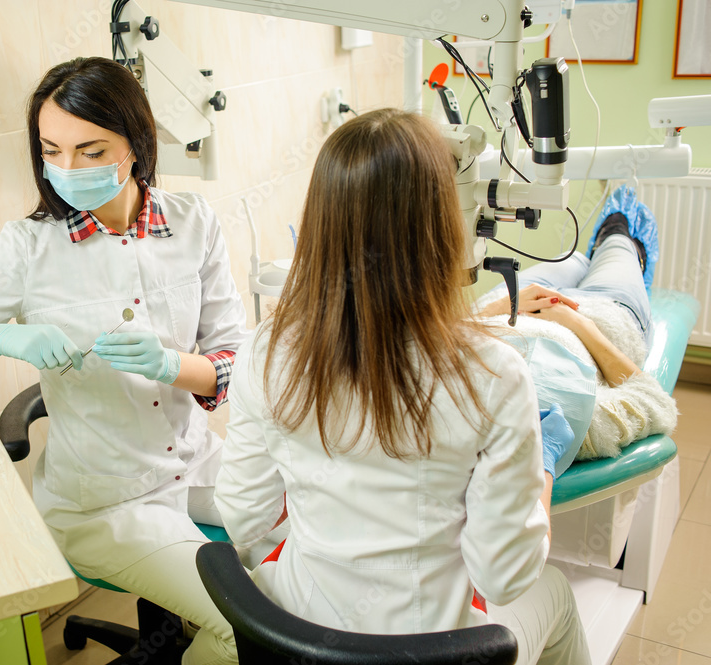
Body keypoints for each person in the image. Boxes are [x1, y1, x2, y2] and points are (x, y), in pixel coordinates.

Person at [0, 57, 247, 664]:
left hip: (199, 465)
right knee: (243, 629)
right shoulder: (27, 249)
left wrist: (174, 365)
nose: (68, 169)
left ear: (138, 144)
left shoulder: (193, 223)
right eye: (53, 150)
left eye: (92, 151)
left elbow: (234, 362)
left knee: (315, 570)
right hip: (107, 502)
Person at [213, 109, 590, 665]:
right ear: (442, 226)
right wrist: (540, 483)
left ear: (320, 223)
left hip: (298, 643)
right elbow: (506, 577)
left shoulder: (265, 353)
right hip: (432, 649)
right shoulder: (496, 375)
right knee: (552, 591)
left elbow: (243, 519)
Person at [476, 193, 677, 462]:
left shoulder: (426, 378)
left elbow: (441, 330)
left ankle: (590, 256)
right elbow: (654, 402)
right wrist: (578, 323)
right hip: (604, 313)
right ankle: (616, 241)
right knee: (617, 241)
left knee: (573, 260)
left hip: (509, 300)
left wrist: (498, 307)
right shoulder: (555, 427)